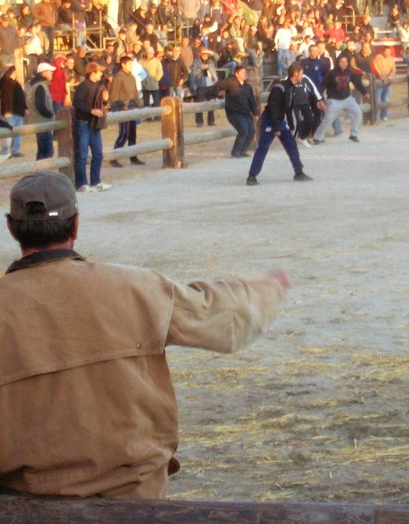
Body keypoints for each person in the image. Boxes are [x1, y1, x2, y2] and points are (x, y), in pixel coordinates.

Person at [0, 171, 288, 498]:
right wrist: (268, 289)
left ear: (12, 228)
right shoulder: (134, 286)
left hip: (22, 502)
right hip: (134, 498)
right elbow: (220, 319)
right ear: (76, 225)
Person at [247, 63, 313, 185]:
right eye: (301, 73)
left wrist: (291, 124)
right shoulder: (279, 88)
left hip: (280, 120)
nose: (303, 76)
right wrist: (276, 126)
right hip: (270, 120)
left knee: (291, 144)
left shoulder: (292, 87)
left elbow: (288, 107)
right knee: (263, 147)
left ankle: (299, 172)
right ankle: (252, 176)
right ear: (295, 74)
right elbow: (273, 107)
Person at [312, 55, 370, 144]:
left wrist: (365, 92)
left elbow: (357, 83)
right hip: (334, 100)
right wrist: (319, 99)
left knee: (357, 113)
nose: (344, 64)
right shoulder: (331, 73)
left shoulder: (350, 72)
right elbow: (323, 85)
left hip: (347, 99)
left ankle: (353, 134)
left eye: (346, 62)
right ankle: (317, 138)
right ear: (338, 62)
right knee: (328, 119)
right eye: (342, 62)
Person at [72, 62, 112, 192]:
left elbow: (99, 104)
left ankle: (96, 181)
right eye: (99, 71)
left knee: (98, 154)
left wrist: (105, 100)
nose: (101, 74)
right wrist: (91, 110)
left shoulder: (98, 86)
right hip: (83, 123)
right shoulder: (83, 86)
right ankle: (81, 183)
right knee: (82, 154)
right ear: (92, 73)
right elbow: (76, 103)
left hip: (94, 124)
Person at [209, 65, 259, 158]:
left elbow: (252, 100)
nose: (245, 74)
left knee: (251, 131)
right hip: (234, 113)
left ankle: (243, 150)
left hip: (246, 113)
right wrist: (214, 96)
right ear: (237, 74)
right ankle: (235, 152)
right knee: (243, 130)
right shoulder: (230, 82)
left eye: (245, 73)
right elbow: (217, 85)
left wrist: (255, 113)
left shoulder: (247, 87)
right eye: (242, 73)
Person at [109, 55, 144, 167]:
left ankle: (133, 156)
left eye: (131, 64)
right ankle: (114, 157)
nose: (131, 66)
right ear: (123, 64)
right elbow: (114, 94)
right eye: (129, 64)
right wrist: (116, 109)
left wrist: (139, 105)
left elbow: (135, 93)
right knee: (124, 133)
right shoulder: (119, 77)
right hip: (123, 108)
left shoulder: (132, 77)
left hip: (132, 108)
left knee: (133, 134)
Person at [27, 62, 56, 159]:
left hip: (40, 122)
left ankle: (39, 172)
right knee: (47, 152)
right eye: (49, 72)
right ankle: (42, 172)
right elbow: (40, 105)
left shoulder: (38, 85)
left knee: (42, 151)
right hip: (42, 122)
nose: (52, 73)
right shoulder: (40, 86)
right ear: (43, 73)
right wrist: (50, 114)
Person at [0, 65, 28, 158]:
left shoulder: (16, 83)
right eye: (14, 72)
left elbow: (21, 97)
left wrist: (25, 107)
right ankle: (5, 151)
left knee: (18, 132)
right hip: (9, 111)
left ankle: (16, 150)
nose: (15, 73)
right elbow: (4, 80)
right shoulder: (5, 82)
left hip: (18, 111)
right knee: (7, 132)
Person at [372, 46, 396, 121]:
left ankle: (384, 115)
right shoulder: (378, 57)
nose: (388, 53)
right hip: (379, 80)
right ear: (383, 51)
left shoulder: (391, 59)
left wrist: (391, 76)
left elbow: (393, 69)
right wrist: (380, 76)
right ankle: (375, 115)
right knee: (377, 98)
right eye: (386, 51)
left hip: (387, 81)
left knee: (386, 98)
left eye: (389, 52)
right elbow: (374, 67)